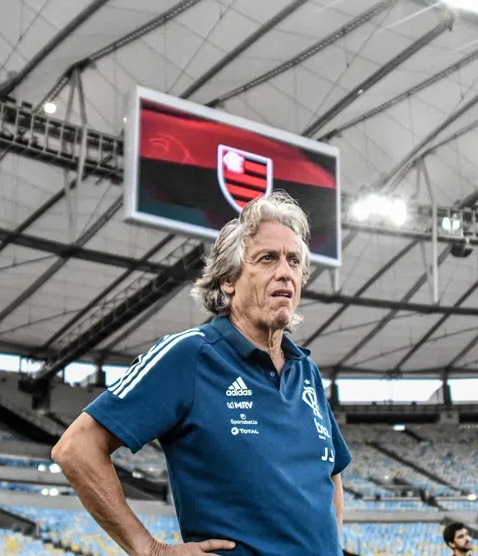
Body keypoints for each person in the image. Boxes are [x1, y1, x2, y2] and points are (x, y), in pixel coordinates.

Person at [52, 191, 351, 556]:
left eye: (294, 261)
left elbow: (331, 475)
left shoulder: (307, 371)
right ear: (228, 279)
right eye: (268, 259)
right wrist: (149, 549)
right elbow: (75, 448)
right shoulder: (189, 354)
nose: (286, 273)